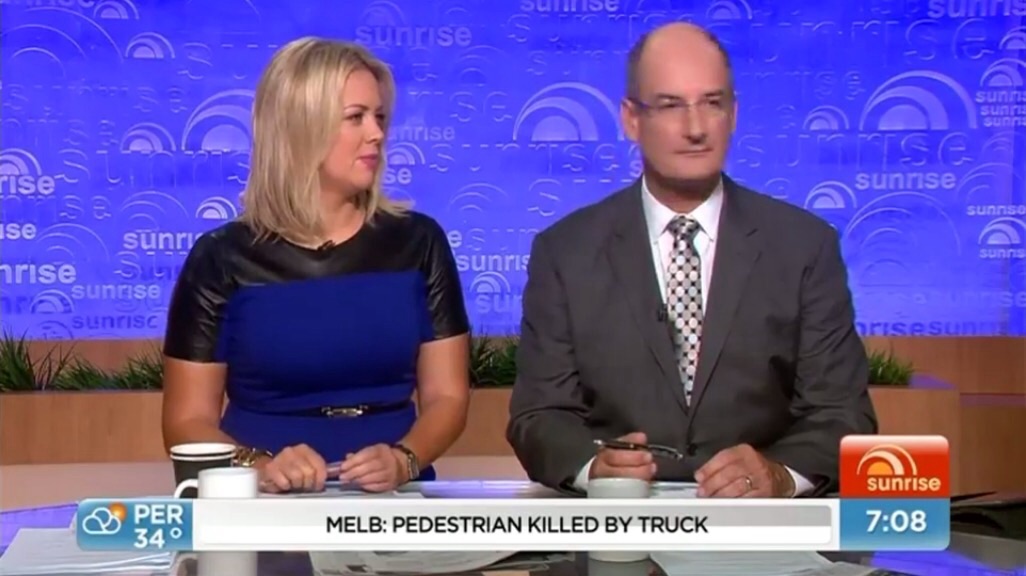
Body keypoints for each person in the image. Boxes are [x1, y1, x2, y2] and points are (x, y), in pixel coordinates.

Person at [507, 23, 877, 498]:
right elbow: (539, 416)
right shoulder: (566, 251)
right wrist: (593, 468)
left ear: (733, 113)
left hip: (762, 524)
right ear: (631, 119)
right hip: (619, 519)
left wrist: (780, 475)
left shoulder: (804, 245)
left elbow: (843, 415)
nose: (696, 128)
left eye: (712, 103)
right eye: (670, 105)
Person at [161, 37, 471, 494]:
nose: (377, 134)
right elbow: (186, 422)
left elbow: (448, 397)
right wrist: (259, 466)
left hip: (392, 501)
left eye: (380, 116)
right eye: (356, 117)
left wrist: (405, 459)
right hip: (263, 502)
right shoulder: (221, 259)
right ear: (301, 127)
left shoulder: (419, 243)